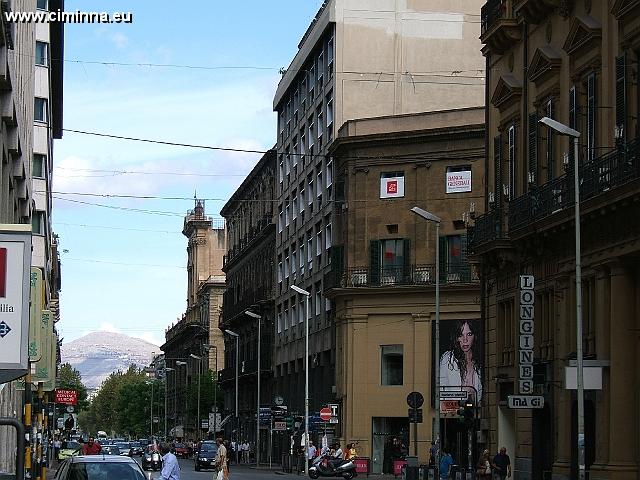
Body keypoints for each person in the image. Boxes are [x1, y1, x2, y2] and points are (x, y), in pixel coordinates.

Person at [439, 320, 483, 403]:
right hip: (453, 411)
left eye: (469, 334)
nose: (465, 340)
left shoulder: (480, 359)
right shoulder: (447, 358)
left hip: (476, 412)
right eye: (461, 335)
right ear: (456, 338)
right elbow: (442, 389)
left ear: (474, 336)